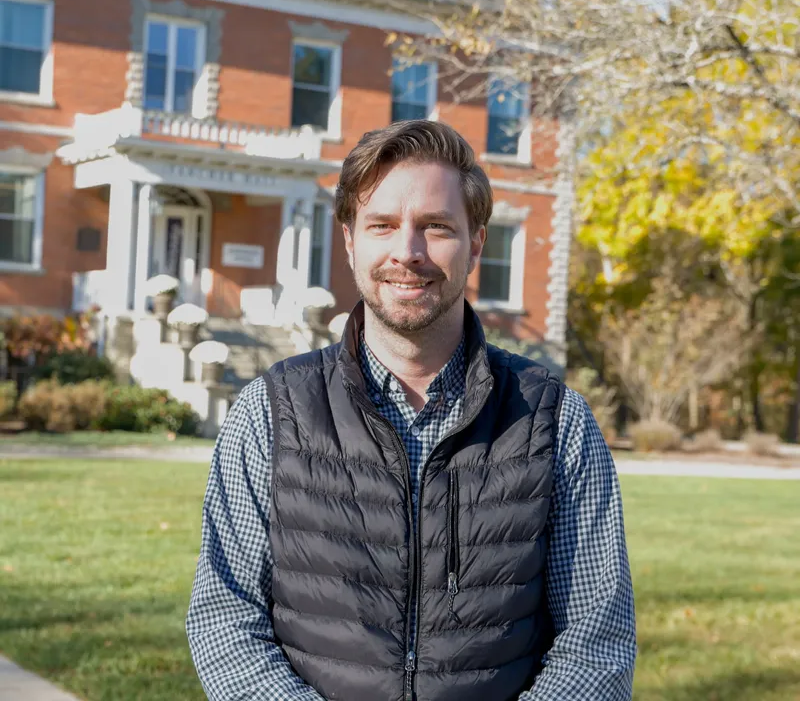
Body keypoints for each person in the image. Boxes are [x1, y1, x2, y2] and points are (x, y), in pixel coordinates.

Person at [186, 120, 636, 700]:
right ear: (350, 239)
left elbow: (597, 646)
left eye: (436, 227)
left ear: (475, 242)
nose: (408, 251)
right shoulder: (271, 412)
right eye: (382, 225)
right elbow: (226, 622)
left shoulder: (556, 422)